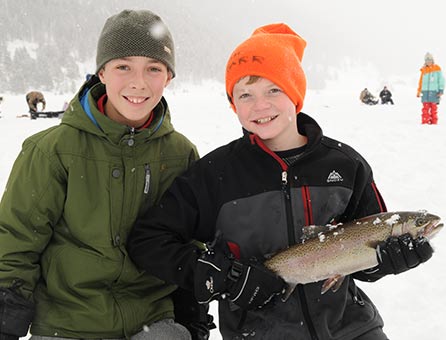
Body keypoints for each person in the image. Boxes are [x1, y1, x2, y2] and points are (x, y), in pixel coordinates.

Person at [127, 23, 434, 339]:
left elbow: (366, 255)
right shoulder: (215, 173)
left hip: (352, 329)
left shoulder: (346, 165)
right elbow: (148, 240)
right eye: (245, 94)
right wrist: (223, 276)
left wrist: (387, 261)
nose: (260, 105)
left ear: (296, 93)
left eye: (274, 89)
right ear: (233, 103)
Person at [0, 9, 214, 340]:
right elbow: (16, 239)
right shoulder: (52, 150)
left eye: (153, 68)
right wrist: (7, 312)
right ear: (101, 72)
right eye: (123, 66)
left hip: (154, 320)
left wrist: (193, 307)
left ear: (168, 77)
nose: (138, 82)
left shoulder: (180, 153)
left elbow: (190, 241)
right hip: (67, 325)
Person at [417, 52, 444, 124]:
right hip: (425, 92)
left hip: (434, 91)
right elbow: (421, 81)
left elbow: (441, 80)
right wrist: (419, 91)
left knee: (433, 108)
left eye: (429, 59)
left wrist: (441, 90)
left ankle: (434, 122)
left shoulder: (437, 68)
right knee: (425, 109)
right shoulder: (424, 70)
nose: (428, 61)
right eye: (426, 60)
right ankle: (425, 122)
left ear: (432, 60)